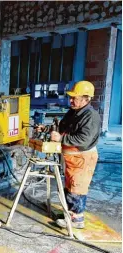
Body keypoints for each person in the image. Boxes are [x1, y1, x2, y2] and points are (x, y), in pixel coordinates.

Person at [49, 81, 101, 229]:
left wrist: (61, 138)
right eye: (71, 97)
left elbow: (83, 140)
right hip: (72, 158)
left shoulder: (91, 116)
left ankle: (77, 219)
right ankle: (69, 213)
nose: (71, 100)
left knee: (77, 188)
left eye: (75, 98)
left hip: (82, 158)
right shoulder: (74, 111)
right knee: (70, 186)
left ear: (86, 99)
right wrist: (52, 130)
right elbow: (63, 126)